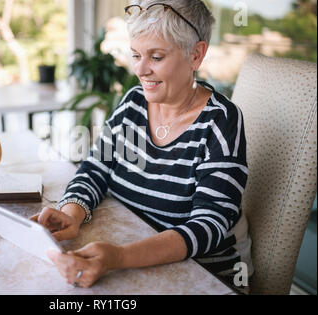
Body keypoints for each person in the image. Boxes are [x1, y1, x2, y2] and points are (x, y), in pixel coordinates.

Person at [31, 0, 254, 292]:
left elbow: (209, 226)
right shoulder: (134, 102)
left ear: (196, 55)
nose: (140, 69)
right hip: (133, 256)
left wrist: (120, 256)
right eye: (136, 55)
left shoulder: (220, 121)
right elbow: (95, 168)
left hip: (203, 277)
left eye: (156, 57)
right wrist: (71, 214)